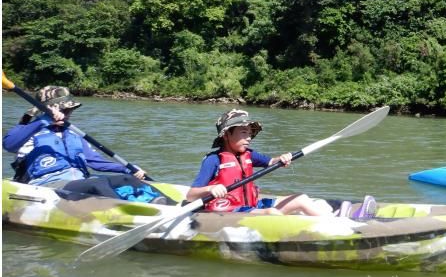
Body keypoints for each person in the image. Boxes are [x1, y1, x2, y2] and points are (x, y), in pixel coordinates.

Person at [2, 85, 158, 200]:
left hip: (79, 182)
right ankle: (127, 214)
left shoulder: (73, 133)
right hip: (47, 186)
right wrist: (45, 120)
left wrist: (127, 169)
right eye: (64, 110)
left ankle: (170, 205)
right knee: (96, 185)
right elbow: (9, 144)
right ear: (47, 111)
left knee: (129, 180)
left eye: (70, 110)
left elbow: (95, 162)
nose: (68, 113)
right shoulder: (30, 130)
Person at [186, 109, 339, 216]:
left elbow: (272, 161)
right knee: (272, 213)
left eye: (250, 133)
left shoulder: (249, 155)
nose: (249, 138)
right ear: (226, 135)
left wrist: (283, 158)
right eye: (244, 132)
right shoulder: (214, 160)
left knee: (301, 199)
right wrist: (211, 189)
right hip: (228, 210)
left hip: (250, 206)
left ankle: (334, 224)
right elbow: (191, 195)